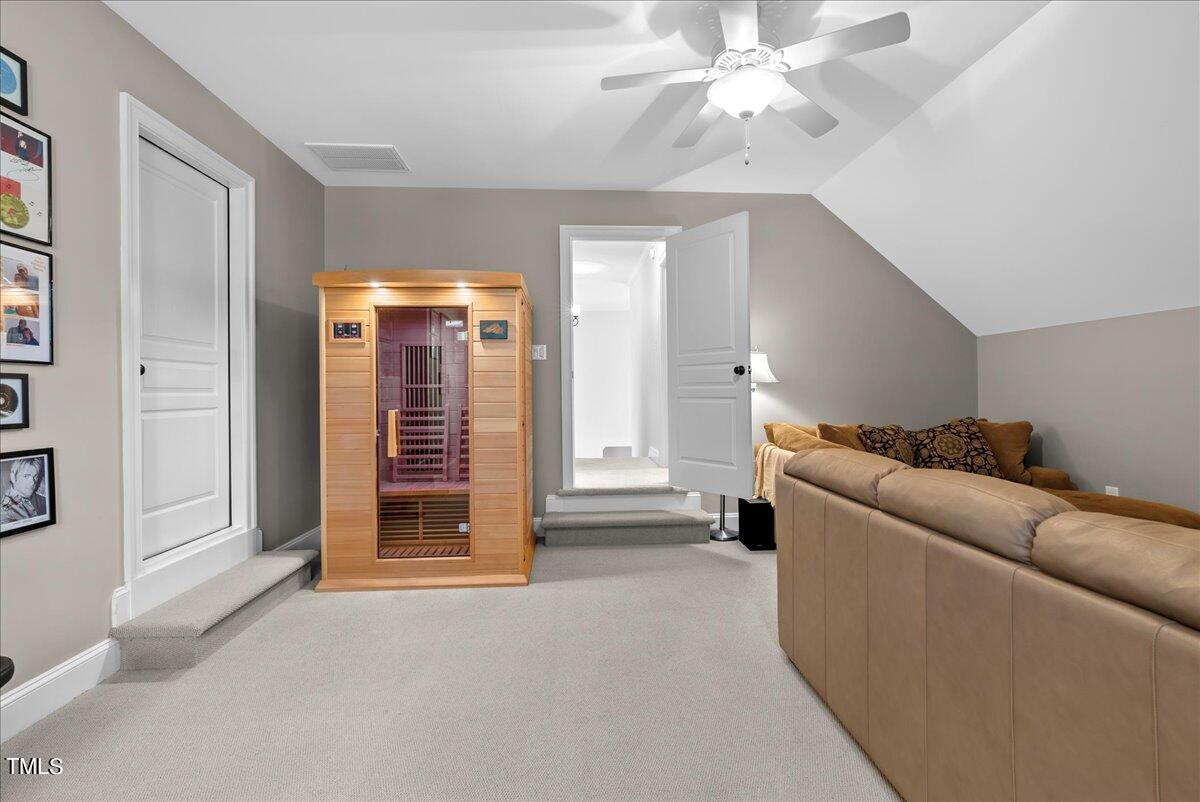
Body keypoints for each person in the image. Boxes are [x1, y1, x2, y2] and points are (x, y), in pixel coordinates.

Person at [1, 456, 46, 525]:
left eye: (35, 477)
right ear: (13, 477)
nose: (33, 482)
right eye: (26, 476)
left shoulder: (40, 491)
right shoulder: (6, 511)